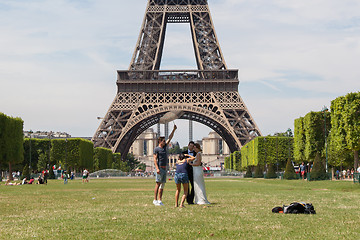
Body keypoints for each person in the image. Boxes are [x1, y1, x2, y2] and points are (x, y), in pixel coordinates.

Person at [153, 124, 177, 206]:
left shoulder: (164, 147)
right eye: (163, 141)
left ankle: (160, 200)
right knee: (158, 184)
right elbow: (154, 159)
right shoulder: (156, 149)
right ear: (160, 141)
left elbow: (170, 138)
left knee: (162, 185)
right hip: (160, 168)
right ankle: (155, 199)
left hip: (164, 168)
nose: (165, 142)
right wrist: (157, 168)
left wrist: (174, 130)